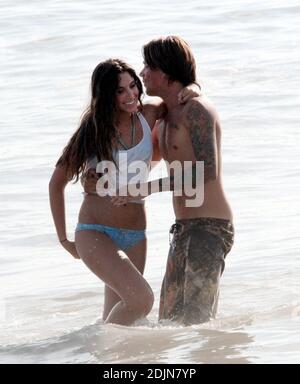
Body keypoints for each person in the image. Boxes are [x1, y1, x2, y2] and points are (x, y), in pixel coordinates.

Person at [49, 58, 199, 326]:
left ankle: (107, 359)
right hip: (95, 232)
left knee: (119, 318)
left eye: (133, 86)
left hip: (134, 236)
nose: (131, 95)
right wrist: (64, 240)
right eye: (121, 90)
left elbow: (180, 102)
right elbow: (56, 182)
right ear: (107, 95)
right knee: (141, 301)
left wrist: (195, 88)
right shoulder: (92, 131)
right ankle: (94, 344)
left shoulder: (149, 114)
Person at [112, 36, 234, 325]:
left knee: (197, 323)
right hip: (182, 230)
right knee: (168, 324)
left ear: (165, 72)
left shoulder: (197, 110)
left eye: (147, 66)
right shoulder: (164, 117)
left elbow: (207, 171)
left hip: (209, 228)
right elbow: (144, 161)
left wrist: (149, 188)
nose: (142, 74)